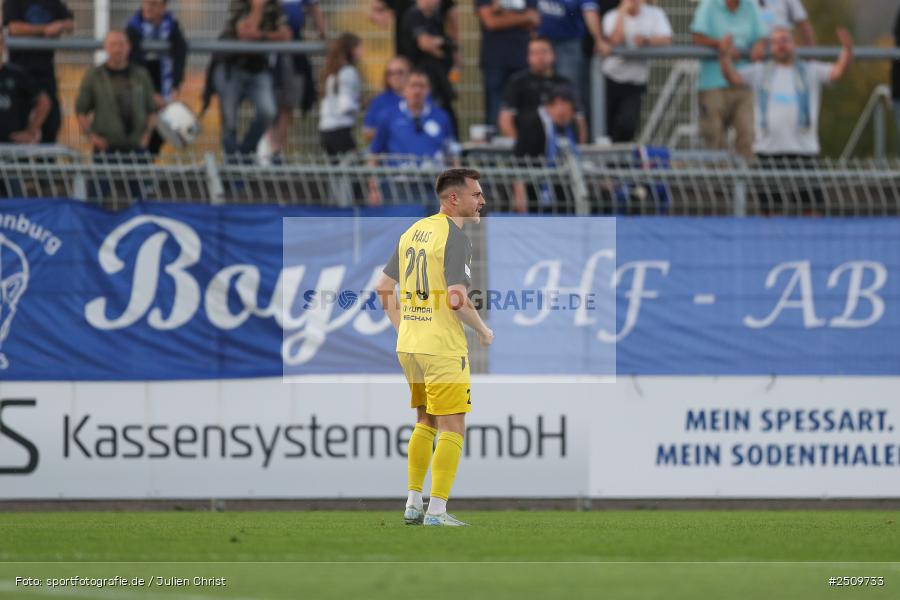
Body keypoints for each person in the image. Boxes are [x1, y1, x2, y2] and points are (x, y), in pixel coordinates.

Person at [375, 167, 492, 527]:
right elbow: (457, 299)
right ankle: (437, 511)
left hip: (410, 345)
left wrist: (404, 327)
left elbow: (383, 287)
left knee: (425, 420)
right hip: (442, 346)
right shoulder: (455, 238)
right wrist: (483, 330)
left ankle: (413, 503)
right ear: (453, 198)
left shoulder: (413, 231)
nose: (482, 201)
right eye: (476, 195)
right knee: (453, 427)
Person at [720, 27, 852, 213]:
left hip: (803, 151)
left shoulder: (810, 71)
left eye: (785, 40)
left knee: (812, 209)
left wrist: (847, 50)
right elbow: (733, 77)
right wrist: (724, 55)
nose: (781, 45)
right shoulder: (760, 72)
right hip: (768, 151)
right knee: (770, 210)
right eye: (776, 41)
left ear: (794, 43)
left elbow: (837, 72)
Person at [368, 70, 459, 205]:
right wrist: (373, 189)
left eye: (421, 86)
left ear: (428, 90)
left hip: (434, 186)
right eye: (412, 85)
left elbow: (452, 154)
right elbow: (374, 154)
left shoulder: (441, 117)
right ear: (404, 90)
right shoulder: (388, 116)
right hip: (398, 187)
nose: (417, 90)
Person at [691, 0, 766, 161]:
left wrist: (759, 45)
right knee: (713, 135)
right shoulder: (709, 5)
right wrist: (720, 45)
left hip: (742, 82)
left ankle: (745, 182)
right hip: (713, 83)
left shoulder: (749, 6)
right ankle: (717, 183)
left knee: (747, 134)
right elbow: (696, 38)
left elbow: (761, 36)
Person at [215, 0, 290, 157]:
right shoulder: (239, 4)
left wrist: (261, 35)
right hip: (233, 68)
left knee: (268, 111)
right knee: (229, 121)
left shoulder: (274, 5)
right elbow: (244, 34)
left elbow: (286, 34)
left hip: (258, 68)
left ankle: (245, 153)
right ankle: (232, 166)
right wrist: (257, 8)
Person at [75, 30, 157, 155]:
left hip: (137, 148)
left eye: (122, 45)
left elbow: (152, 110)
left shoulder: (141, 75)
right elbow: (81, 111)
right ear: (106, 47)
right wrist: (93, 137)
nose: (118, 49)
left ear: (129, 47)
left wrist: (147, 136)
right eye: (113, 45)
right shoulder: (95, 76)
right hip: (106, 149)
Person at [3, 0, 74, 143]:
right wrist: (45, 29)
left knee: (51, 121)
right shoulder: (13, 2)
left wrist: (60, 25)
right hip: (20, 71)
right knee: (15, 124)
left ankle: (47, 160)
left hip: (45, 70)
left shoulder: (53, 2)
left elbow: (70, 24)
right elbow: (13, 28)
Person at [601, 0, 672, 142]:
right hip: (611, 78)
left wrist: (647, 41)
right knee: (606, 125)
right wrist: (622, 12)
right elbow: (615, 39)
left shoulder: (655, 14)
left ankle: (622, 161)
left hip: (636, 80)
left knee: (629, 125)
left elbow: (667, 40)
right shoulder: (611, 16)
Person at [125, 0, 188, 155]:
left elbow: (180, 53)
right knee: (140, 127)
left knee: (162, 128)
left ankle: (147, 163)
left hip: (162, 83)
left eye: (153, 4)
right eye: (145, 3)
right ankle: (137, 164)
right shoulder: (133, 28)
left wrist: (175, 85)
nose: (148, 7)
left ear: (163, 7)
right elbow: (134, 65)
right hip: (139, 86)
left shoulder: (172, 26)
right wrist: (150, 94)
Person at [499, 37, 587, 146]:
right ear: (528, 57)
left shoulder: (565, 84)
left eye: (544, 52)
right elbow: (506, 120)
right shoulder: (517, 82)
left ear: (553, 55)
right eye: (534, 53)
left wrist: (579, 147)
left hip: (561, 147)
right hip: (527, 147)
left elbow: (579, 119)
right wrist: (520, 147)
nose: (540, 57)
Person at [268, 0, 326, 157]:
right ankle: (267, 149)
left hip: (292, 54)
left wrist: (322, 35)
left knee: (286, 106)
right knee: (268, 108)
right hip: (271, 52)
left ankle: (276, 151)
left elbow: (315, 9)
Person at [511, 87, 579, 212]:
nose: (572, 114)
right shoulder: (533, 123)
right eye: (571, 109)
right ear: (559, 103)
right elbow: (518, 159)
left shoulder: (566, 125)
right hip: (534, 191)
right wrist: (520, 195)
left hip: (558, 190)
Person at [476, 0, 541, 129]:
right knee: (494, 112)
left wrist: (501, 14)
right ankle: (495, 147)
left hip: (522, 59)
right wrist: (523, 17)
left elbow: (534, 20)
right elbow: (491, 22)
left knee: (524, 111)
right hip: (494, 60)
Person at [399, 0, 459, 134]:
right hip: (424, 76)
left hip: (439, 77)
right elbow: (426, 44)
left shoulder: (435, 17)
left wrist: (444, 46)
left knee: (447, 116)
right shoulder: (414, 15)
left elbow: (447, 45)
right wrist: (444, 43)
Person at [537, 0, 603, 92]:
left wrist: (598, 39)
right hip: (541, 42)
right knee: (538, 84)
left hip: (569, 44)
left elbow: (590, 11)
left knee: (566, 88)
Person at [0, 32, 51, 146]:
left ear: (3, 46)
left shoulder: (17, 75)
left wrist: (30, 132)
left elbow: (44, 102)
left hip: (13, 151)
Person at [319, 33, 363, 156]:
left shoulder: (332, 73)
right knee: (354, 170)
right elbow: (346, 106)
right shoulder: (349, 72)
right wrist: (362, 106)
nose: (362, 52)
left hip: (325, 129)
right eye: (359, 48)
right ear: (351, 50)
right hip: (340, 131)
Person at [369, 0, 458, 60]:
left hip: (432, 59)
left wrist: (453, 50)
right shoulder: (413, 15)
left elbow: (453, 22)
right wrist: (379, 15)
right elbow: (374, 10)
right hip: (406, 53)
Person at [363, 56, 411, 143]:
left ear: (410, 74)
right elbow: (367, 132)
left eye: (400, 72)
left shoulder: (420, 98)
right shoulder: (379, 101)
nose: (395, 77)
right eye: (390, 73)